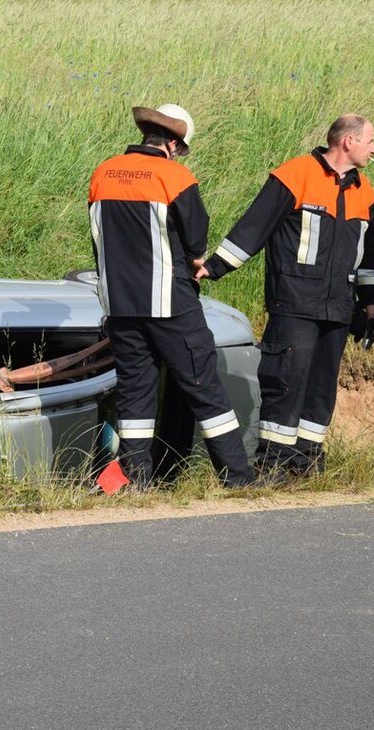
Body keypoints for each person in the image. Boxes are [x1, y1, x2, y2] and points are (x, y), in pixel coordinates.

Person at [197, 114, 374, 476]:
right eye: (370, 141)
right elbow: (254, 227)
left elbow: (369, 256)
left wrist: (370, 302)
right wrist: (214, 267)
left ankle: (306, 461)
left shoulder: (366, 191)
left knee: (321, 387)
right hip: (294, 302)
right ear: (348, 141)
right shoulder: (294, 175)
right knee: (285, 380)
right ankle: (273, 464)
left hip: (339, 308)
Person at [89, 103, 255, 489]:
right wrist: (196, 261)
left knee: (135, 392)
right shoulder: (175, 177)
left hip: (119, 304)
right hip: (170, 303)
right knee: (204, 386)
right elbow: (196, 238)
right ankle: (237, 477)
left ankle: (135, 479)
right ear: (175, 144)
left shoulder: (103, 173)